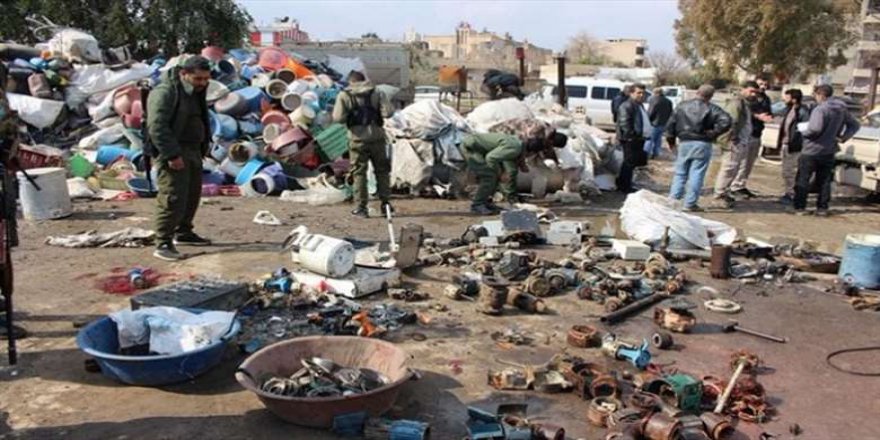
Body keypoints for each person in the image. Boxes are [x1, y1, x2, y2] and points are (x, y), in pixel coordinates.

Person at [147, 55, 213, 261]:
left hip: (193, 150)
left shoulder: (194, 92)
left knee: (191, 195)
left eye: (205, 79)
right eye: (198, 79)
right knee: (172, 196)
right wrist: (172, 154)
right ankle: (163, 242)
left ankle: (183, 231)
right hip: (175, 150)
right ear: (184, 74)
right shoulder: (166, 92)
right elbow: (157, 127)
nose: (203, 83)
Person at [333, 71, 392, 218]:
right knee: (382, 172)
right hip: (378, 138)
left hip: (357, 140)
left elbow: (338, 118)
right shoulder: (378, 92)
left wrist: (351, 113)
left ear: (351, 82)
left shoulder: (345, 95)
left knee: (359, 173)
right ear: (364, 80)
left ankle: (361, 208)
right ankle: (386, 205)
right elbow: (388, 113)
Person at [793, 84, 860, 216]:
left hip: (812, 149)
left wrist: (803, 132)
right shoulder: (841, 109)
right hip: (829, 149)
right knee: (824, 181)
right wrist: (843, 137)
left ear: (821, 95)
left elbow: (815, 129)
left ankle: (800, 207)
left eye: (815, 95)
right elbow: (855, 125)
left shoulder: (820, 109)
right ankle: (822, 207)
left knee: (803, 179)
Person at [665, 85, 732, 212]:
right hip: (702, 143)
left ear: (697, 92)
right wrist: (713, 133)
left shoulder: (681, 106)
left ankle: (673, 200)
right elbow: (727, 120)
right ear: (711, 96)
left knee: (680, 173)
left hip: (684, 141)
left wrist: (671, 141)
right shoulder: (712, 108)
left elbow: (671, 124)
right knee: (697, 173)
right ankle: (689, 204)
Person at [462, 132, 544, 215]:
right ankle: (477, 205)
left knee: (494, 176)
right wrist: (500, 173)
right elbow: (491, 158)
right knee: (489, 176)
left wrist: (503, 172)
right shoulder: (515, 148)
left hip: (477, 147)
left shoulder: (517, 143)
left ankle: (485, 203)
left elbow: (500, 158)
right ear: (531, 152)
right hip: (471, 148)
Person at [713, 81, 760, 209]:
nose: (753, 94)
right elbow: (730, 121)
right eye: (751, 91)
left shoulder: (745, 103)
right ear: (743, 89)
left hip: (742, 141)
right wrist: (733, 138)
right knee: (728, 168)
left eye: (755, 92)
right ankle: (719, 195)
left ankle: (724, 192)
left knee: (733, 169)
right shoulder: (736, 102)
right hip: (734, 142)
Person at [732, 74, 773, 199]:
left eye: (765, 85)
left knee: (749, 163)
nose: (762, 87)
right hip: (746, 134)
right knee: (741, 162)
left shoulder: (766, 99)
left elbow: (768, 111)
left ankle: (741, 185)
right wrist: (758, 116)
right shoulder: (747, 99)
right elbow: (745, 113)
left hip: (757, 133)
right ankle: (734, 186)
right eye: (760, 84)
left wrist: (768, 117)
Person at [775, 89, 811, 205]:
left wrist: (799, 143)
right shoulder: (789, 110)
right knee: (786, 171)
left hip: (795, 146)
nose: (784, 100)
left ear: (794, 99)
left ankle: (791, 194)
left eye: (787, 98)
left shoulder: (802, 112)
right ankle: (788, 192)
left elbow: (805, 129)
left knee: (791, 171)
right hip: (786, 144)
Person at [615, 83, 650, 193]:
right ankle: (625, 186)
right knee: (629, 162)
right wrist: (631, 136)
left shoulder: (639, 105)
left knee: (632, 163)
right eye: (638, 93)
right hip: (630, 139)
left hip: (639, 138)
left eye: (643, 93)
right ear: (631, 93)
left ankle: (625, 183)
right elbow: (625, 123)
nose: (641, 95)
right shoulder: (627, 105)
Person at [646, 87, 673, 159]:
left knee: (649, 140)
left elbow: (651, 112)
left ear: (655, 93)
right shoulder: (668, 101)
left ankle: (647, 154)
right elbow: (671, 112)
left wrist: (647, 120)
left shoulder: (655, 101)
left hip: (654, 123)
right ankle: (656, 153)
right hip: (664, 123)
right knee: (658, 140)